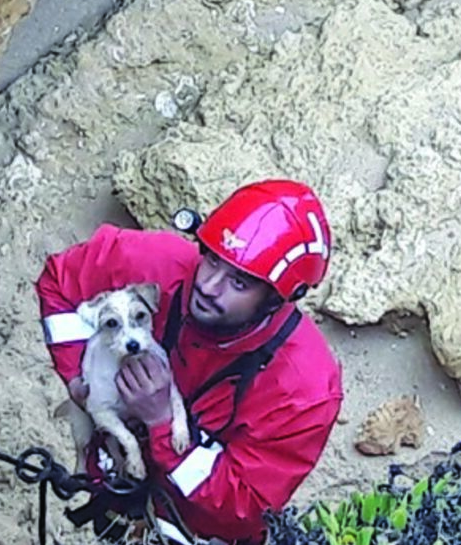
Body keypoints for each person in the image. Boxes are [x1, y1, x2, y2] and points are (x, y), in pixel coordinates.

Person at [34, 179, 344, 545]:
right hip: (117, 482)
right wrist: (80, 379)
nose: (209, 286)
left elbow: (246, 503)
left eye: (239, 283)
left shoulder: (303, 389)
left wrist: (162, 422)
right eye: (212, 259)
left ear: (276, 300)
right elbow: (61, 280)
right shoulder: (155, 265)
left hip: (192, 529)